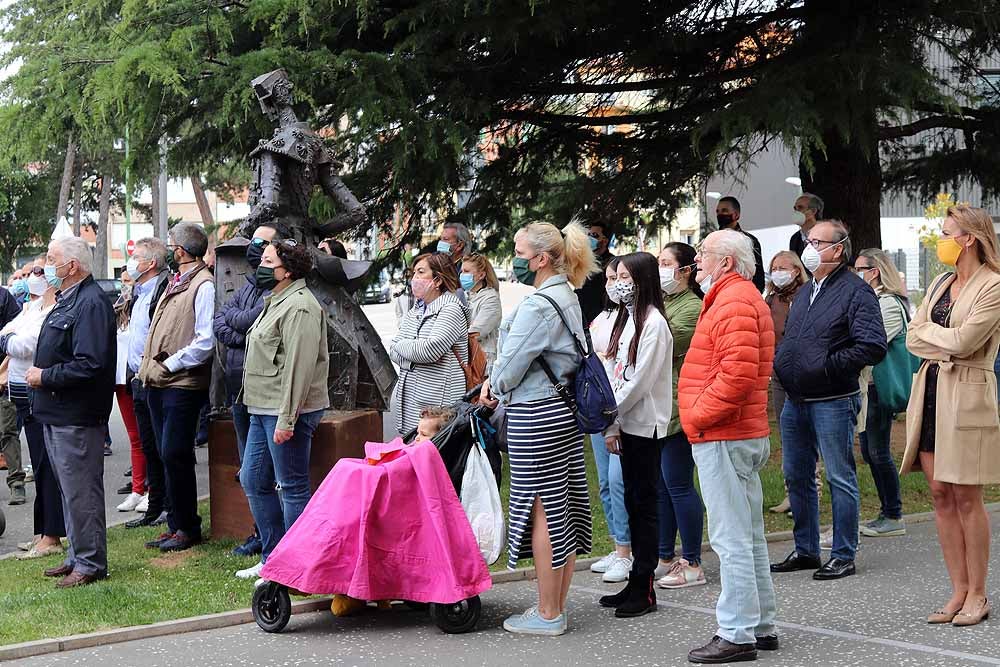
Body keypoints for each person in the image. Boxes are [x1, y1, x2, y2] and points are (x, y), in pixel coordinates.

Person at [481, 219, 596, 636]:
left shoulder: (535, 306)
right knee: (561, 507)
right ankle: (555, 606)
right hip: (562, 412)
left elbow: (509, 370)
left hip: (537, 413)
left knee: (541, 510)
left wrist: (491, 383)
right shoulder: (566, 295)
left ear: (541, 259)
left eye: (519, 250)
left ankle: (548, 613)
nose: (514, 257)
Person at [679, 230, 777, 664]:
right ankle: (760, 624)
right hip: (736, 432)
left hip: (724, 433)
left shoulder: (734, 300)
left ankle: (737, 631)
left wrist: (696, 415)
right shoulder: (736, 297)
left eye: (705, 254)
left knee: (731, 537)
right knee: (749, 535)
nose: (697, 260)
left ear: (728, 262)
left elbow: (735, 377)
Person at [770, 220, 887, 581]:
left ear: (837, 249)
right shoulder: (807, 292)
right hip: (796, 398)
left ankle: (842, 553)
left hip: (833, 397)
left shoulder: (855, 291)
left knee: (839, 475)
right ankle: (806, 549)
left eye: (816, 241)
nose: (809, 246)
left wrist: (828, 366)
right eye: (807, 240)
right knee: (796, 474)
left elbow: (872, 345)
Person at [901, 205, 1000, 627]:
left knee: (965, 495)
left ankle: (978, 592)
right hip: (932, 391)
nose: (939, 240)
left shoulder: (993, 285)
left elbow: (966, 340)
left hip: (968, 394)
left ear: (968, 238)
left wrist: (936, 340)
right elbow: (911, 335)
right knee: (940, 493)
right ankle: (957, 588)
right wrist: (943, 343)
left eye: (946, 233)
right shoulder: (941, 282)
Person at [25, 236, 116, 588]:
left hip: (76, 414)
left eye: (52, 259)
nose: (46, 266)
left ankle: (91, 563)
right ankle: (77, 555)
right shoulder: (70, 298)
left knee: (81, 491)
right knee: (68, 489)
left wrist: (44, 376)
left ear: (72, 265)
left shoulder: (91, 303)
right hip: (57, 412)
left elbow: (89, 363)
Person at [239, 240, 329, 581]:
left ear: (287, 270)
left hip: (285, 410)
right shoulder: (277, 300)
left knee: (291, 486)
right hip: (262, 408)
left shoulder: (301, 307)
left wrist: (287, 418)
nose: (260, 266)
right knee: (253, 479)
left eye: (267, 261)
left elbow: (298, 368)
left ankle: (296, 565)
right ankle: (273, 557)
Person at [597, 252, 673, 618]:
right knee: (631, 502)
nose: (619, 283)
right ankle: (635, 579)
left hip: (644, 424)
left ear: (642, 280)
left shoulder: (654, 323)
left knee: (644, 505)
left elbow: (640, 380)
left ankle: (644, 586)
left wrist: (610, 414)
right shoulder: (628, 320)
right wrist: (612, 422)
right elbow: (616, 371)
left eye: (625, 276)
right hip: (625, 422)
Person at [139, 222, 215, 552]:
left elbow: (205, 340)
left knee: (175, 453)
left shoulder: (204, 286)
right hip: (159, 382)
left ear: (181, 251)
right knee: (164, 453)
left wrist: (169, 364)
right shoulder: (177, 281)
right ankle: (175, 524)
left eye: (172, 245)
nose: (169, 250)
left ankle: (188, 526)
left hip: (181, 383)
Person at [214, 223, 286, 557]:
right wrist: (241, 329)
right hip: (238, 384)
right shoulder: (248, 283)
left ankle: (275, 539)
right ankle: (260, 532)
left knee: (268, 470)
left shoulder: (276, 291)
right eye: (254, 240)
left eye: (263, 242)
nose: (255, 246)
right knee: (249, 466)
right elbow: (221, 322)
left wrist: (239, 326)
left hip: (265, 391)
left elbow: (251, 323)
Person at [1, 263, 65, 559]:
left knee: (44, 463)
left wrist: (8, 341)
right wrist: (9, 340)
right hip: (20, 389)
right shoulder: (31, 307)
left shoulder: (51, 311)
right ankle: (42, 533)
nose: (30, 279)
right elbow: (8, 334)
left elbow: (25, 345)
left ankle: (51, 536)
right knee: (39, 465)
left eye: (37, 273)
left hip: (36, 389)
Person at [654, 242, 707, 589]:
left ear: (686, 270)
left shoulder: (691, 307)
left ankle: (692, 561)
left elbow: (659, 345)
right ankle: (665, 555)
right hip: (657, 405)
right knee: (661, 486)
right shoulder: (663, 304)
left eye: (665, 263)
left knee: (678, 483)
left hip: (677, 403)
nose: (660, 270)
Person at [854, 248, 909, 538]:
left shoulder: (887, 303)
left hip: (879, 387)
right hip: (869, 387)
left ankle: (893, 514)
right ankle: (887, 511)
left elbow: (871, 342)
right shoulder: (873, 300)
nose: (856, 274)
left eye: (860, 268)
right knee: (870, 450)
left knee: (877, 451)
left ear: (874, 271)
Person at [389, 253, 470, 434]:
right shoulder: (417, 309)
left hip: (438, 404)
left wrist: (400, 346)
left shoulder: (451, 309)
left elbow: (429, 351)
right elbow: (392, 350)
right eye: (414, 273)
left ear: (438, 280)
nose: (414, 278)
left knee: (435, 457)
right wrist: (407, 352)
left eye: (421, 272)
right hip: (411, 401)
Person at [588, 258, 632, 584]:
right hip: (599, 410)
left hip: (623, 411)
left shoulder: (636, 320)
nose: (614, 283)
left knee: (619, 482)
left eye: (620, 276)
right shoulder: (602, 318)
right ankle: (619, 545)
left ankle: (626, 551)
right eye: (610, 277)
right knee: (605, 482)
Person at [123, 238, 171, 529]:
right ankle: (154, 507)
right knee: (148, 446)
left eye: (136, 257)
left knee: (162, 446)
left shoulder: (161, 291)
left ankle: (166, 506)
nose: (131, 262)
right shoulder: (139, 293)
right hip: (137, 379)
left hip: (154, 377)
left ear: (150, 263)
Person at [763, 251, 814, 515]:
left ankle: (808, 494)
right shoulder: (771, 298)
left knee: (805, 435)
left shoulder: (808, 294)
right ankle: (791, 494)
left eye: (783, 267)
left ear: (796, 270)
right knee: (786, 434)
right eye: (774, 267)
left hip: (803, 373)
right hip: (779, 373)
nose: (778, 271)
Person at [111, 274, 148, 513]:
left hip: (139, 377)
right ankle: (137, 489)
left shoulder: (147, 304)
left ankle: (152, 489)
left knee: (149, 437)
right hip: (120, 381)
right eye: (123, 279)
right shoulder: (120, 309)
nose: (126, 284)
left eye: (129, 279)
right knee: (135, 438)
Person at [0, 270, 26, 504]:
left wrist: (5, 370)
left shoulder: (4, 298)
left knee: (8, 430)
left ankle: (16, 482)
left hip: (1, 375)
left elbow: (17, 333)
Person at [460, 253, 503, 367]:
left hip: (482, 362)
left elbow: (476, 332)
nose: (462, 275)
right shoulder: (467, 295)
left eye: (466, 271)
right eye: (462, 271)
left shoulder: (491, 299)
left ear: (481, 275)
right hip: (467, 359)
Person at [715, 196, 765, 292]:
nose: (720, 214)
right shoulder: (713, 240)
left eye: (724, 211)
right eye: (718, 211)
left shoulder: (750, 241)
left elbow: (758, 274)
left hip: (744, 291)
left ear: (736, 215)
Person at [575, 220, 616, 327]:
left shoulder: (612, 263)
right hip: (580, 318)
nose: (589, 238)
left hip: (600, 321)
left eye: (594, 235)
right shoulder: (582, 261)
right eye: (588, 234)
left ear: (605, 240)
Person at [789, 193, 824, 259]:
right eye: (795, 208)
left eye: (800, 208)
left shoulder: (829, 233)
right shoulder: (795, 238)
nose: (796, 211)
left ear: (813, 211)